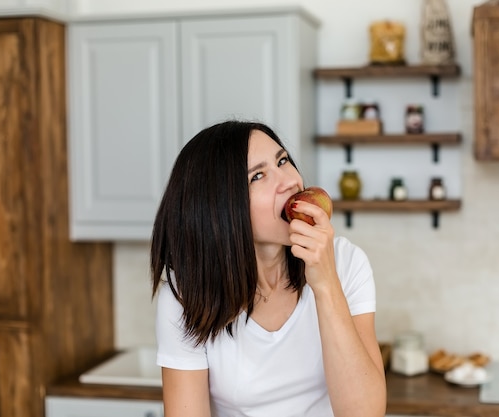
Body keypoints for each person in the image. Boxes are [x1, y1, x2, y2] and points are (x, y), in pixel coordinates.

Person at [150, 120, 386, 417]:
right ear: (220, 208)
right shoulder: (185, 294)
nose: (289, 180)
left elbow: (365, 413)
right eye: (258, 176)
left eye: (283, 160)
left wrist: (326, 284)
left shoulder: (346, 262)